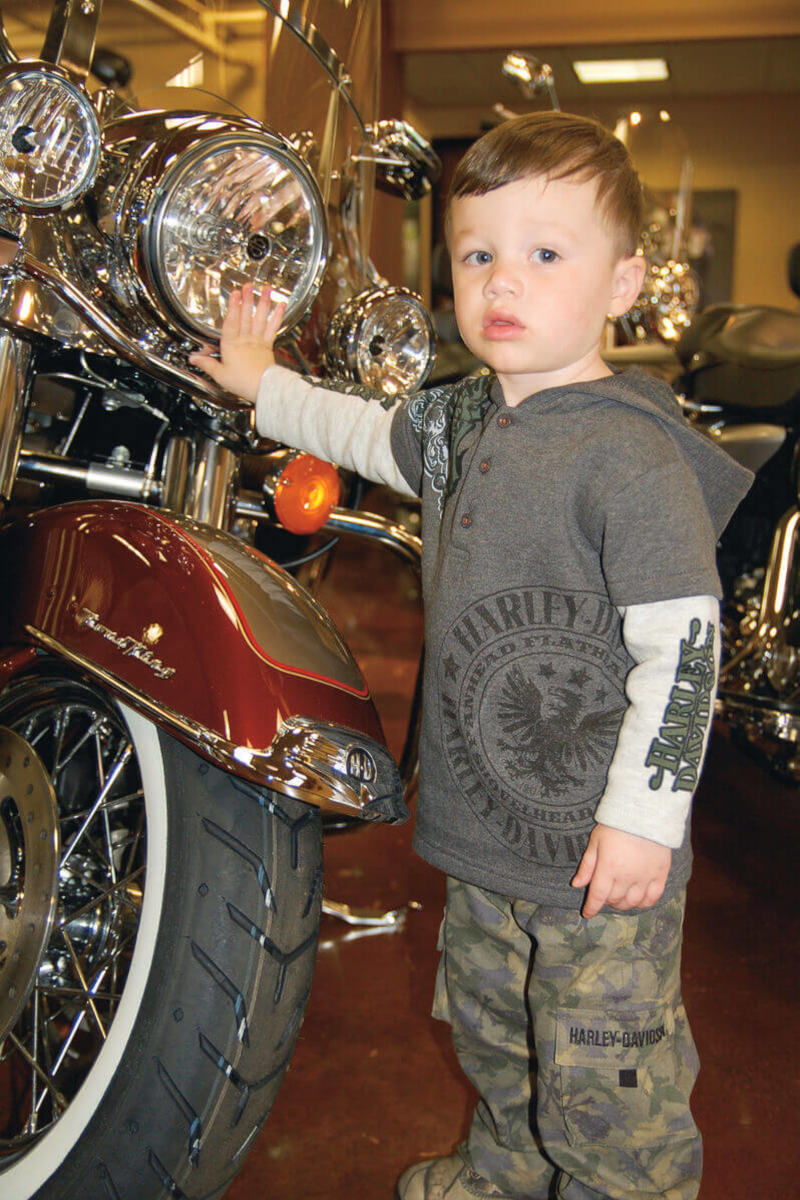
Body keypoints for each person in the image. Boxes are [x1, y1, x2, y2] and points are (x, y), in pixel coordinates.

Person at [190, 111, 752, 1200]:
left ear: (621, 282)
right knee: (496, 1035)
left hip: (598, 861)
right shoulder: (460, 423)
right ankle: (504, 1166)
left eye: (546, 254)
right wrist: (261, 381)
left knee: (603, 1080)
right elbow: (360, 432)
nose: (504, 280)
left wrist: (643, 821)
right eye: (477, 254)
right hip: (484, 833)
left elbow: (682, 651)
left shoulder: (628, 457)